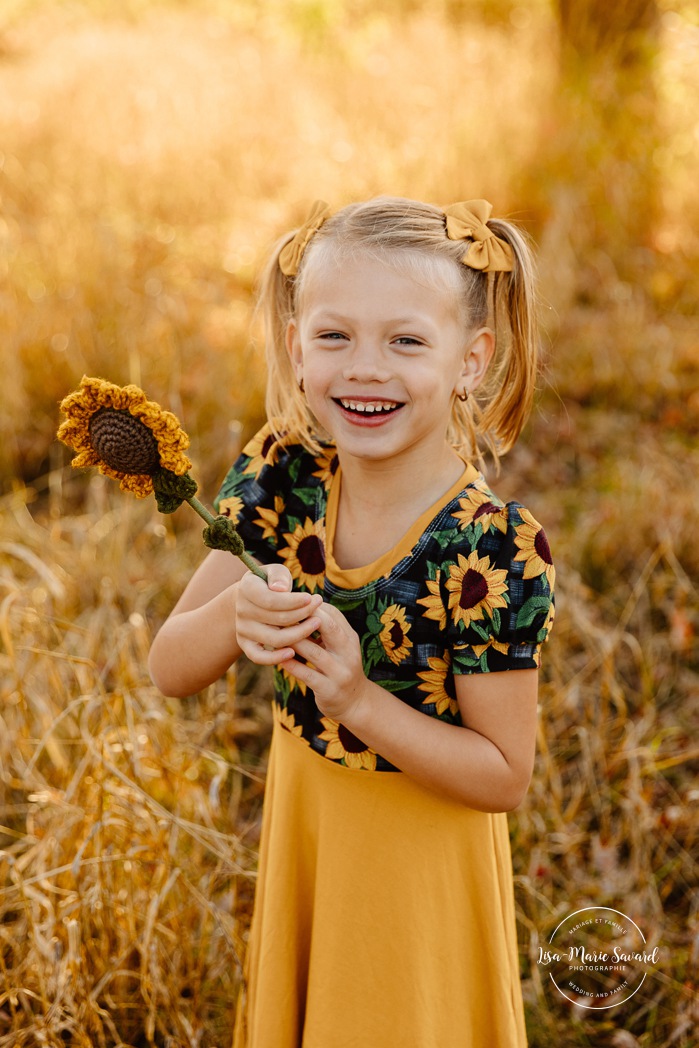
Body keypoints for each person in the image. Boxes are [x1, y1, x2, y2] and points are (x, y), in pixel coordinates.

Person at [148, 196, 556, 1048]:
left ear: (469, 360)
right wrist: (237, 611)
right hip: (312, 832)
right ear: (297, 348)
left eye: (405, 341)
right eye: (334, 337)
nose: (364, 369)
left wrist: (359, 701)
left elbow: (502, 776)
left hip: (417, 869)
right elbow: (169, 669)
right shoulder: (284, 474)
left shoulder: (486, 549)